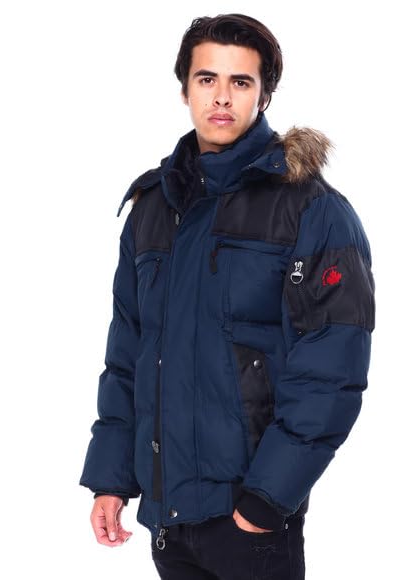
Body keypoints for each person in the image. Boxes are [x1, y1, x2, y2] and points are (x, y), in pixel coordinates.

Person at [79, 13, 375, 580]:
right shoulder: (152, 208)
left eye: (240, 82)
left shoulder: (311, 209)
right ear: (184, 88)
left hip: (251, 520)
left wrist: (267, 499)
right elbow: (128, 354)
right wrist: (112, 480)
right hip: (167, 520)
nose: (221, 97)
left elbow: (332, 369)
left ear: (264, 95)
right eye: (206, 78)